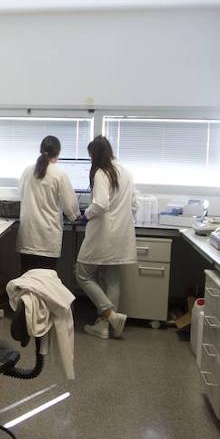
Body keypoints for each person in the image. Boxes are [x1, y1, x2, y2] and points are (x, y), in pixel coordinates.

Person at [75, 136, 137, 339]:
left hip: (103, 234)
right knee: (112, 279)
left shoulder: (102, 172)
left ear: (95, 154)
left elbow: (101, 204)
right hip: (121, 234)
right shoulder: (125, 172)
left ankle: (110, 315)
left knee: (82, 274)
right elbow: (134, 205)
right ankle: (105, 327)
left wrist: (86, 215)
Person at [17, 135, 79, 272]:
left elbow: (20, 193)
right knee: (45, 283)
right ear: (58, 153)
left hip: (28, 236)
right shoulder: (59, 173)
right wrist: (75, 216)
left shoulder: (27, 171)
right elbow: (70, 206)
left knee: (26, 281)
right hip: (47, 238)